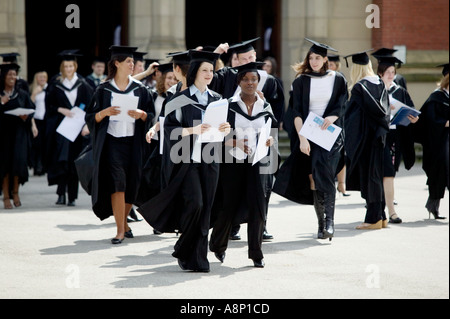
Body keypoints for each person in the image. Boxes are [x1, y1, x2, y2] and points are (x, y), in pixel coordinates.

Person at [138, 50, 231, 272]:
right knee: (195, 203)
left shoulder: (217, 100)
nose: (209, 74)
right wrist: (193, 130)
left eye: (211, 70)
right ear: (195, 73)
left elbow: (220, 131)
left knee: (206, 208)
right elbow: (169, 131)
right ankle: (187, 249)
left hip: (210, 159)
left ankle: (193, 255)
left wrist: (226, 129)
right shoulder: (178, 100)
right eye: (205, 70)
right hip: (185, 161)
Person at [273, 39, 348, 241]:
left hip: (331, 135)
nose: (314, 61)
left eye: (317, 58)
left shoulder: (338, 79)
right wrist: (302, 138)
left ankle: (330, 221)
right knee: (313, 178)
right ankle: (321, 224)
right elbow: (296, 112)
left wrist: (332, 117)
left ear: (325, 59)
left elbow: (342, 104)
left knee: (326, 174)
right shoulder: (301, 81)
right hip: (309, 134)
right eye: (311, 58)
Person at [212, 38, 284, 241]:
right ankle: (232, 226)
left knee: (264, 186)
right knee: (233, 188)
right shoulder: (227, 77)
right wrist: (216, 54)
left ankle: (262, 224)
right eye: (245, 58)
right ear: (235, 60)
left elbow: (275, 110)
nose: (250, 61)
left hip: (260, 143)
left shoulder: (266, 80)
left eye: (252, 57)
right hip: (233, 144)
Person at [84, 45, 155, 244]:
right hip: (112, 144)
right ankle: (119, 230)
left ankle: (123, 223)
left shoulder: (140, 89)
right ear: (117, 63)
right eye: (129, 62)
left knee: (131, 184)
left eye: (133, 62)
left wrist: (141, 115)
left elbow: (150, 115)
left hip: (133, 143)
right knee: (118, 184)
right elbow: (90, 116)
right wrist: (105, 113)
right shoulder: (104, 89)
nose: (133, 65)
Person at [209, 62, 277, 268]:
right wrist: (233, 141)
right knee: (228, 204)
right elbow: (216, 133)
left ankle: (256, 253)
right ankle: (218, 246)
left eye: (254, 79)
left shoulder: (265, 106)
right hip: (233, 161)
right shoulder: (227, 105)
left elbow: (271, 132)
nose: (250, 83)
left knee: (258, 205)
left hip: (257, 162)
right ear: (238, 82)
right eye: (246, 79)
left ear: (258, 82)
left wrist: (270, 141)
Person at [343, 50, 390, 230]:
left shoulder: (359, 88)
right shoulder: (380, 83)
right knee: (376, 177)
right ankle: (382, 215)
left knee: (369, 178)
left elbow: (353, 119)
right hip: (379, 139)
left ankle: (372, 219)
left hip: (365, 141)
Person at [45, 50, 94, 207]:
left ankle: (72, 196)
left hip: (78, 131)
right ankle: (60, 194)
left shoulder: (84, 85)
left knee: (74, 163)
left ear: (75, 66)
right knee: (62, 162)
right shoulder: (56, 85)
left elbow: (91, 107)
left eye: (71, 66)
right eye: (65, 66)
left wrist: (87, 124)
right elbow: (49, 106)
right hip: (61, 130)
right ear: (62, 67)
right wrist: (61, 110)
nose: (68, 69)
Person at [374, 55, 418, 224]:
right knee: (380, 173)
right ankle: (381, 209)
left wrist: (413, 118)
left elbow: (411, 110)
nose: (391, 75)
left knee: (389, 174)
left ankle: (389, 210)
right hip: (378, 136)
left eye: (393, 72)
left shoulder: (400, 91)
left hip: (394, 137)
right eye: (387, 72)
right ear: (380, 73)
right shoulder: (374, 90)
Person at [414, 63, 449, 220]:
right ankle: (433, 205)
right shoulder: (436, 98)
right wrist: (445, 123)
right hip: (439, 143)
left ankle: (432, 205)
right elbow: (430, 120)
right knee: (439, 174)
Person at [0, 63, 35, 209]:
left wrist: (26, 117)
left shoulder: (22, 93)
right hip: (3, 134)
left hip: (19, 133)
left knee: (18, 164)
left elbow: (31, 109)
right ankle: (6, 196)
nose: (12, 77)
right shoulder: (0, 94)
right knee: (4, 165)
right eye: (9, 75)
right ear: (3, 77)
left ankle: (16, 192)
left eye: (14, 75)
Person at [327, 54, 350, 197]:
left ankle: (342, 184)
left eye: (331, 65)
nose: (329, 67)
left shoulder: (340, 80)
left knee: (341, 153)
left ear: (337, 66)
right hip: (325, 122)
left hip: (339, 120)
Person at [29, 70, 49, 176]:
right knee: (37, 145)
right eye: (40, 77)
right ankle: (37, 166)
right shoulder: (33, 89)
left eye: (44, 77)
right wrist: (34, 94)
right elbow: (29, 105)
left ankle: (44, 167)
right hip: (37, 120)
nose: (42, 79)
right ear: (36, 78)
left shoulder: (49, 88)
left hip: (47, 119)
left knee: (45, 144)